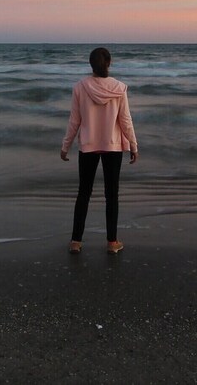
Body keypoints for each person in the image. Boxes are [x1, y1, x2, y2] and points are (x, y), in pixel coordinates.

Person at [60, 47, 138, 255]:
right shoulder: (119, 88)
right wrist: (133, 145)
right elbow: (125, 120)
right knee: (111, 195)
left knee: (83, 193)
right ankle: (112, 242)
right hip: (112, 146)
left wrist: (65, 146)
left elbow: (74, 121)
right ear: (109, 63)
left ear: (91, 65)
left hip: (88, 146)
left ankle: (76, 241)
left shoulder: (80, 87)